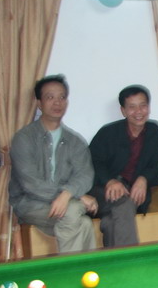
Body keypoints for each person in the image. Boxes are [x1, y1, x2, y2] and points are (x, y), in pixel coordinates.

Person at [9, 75, 97, 253]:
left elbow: (85, 175)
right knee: (74, 209)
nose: (57, 102)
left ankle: (87, 267)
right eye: (50, 97)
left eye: (62, 97)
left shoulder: (75, 141)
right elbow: (31, 184)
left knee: (83, 222)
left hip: (64, 205)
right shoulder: (24, 138)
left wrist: (67, 194)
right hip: (29, 203)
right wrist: (72, 195)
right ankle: (71, 268)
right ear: (39, 103)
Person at [89, 85, 158, 247]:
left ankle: (115, 259)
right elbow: (93, 162)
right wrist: (110, 181)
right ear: (123, 111)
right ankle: (132, 258)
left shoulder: (153, 131)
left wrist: (143, 179)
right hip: (102, 190)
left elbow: (155, 166)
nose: (138, 112)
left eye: (143, 105)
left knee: (111, 222)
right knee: (124, 203)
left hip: (134, 191)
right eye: (132, 107)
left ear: (149, 107)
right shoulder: (108, 133)